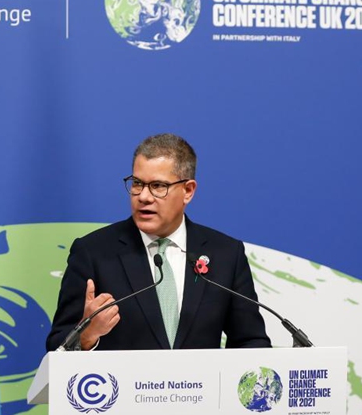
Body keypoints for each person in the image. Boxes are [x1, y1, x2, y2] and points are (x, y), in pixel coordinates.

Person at [46, 133, 271, 351]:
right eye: (137, 183)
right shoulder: (93, 253)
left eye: (158, 186)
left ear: (188, 191)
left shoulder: (225, 254)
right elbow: (56, 347)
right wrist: (86, 335)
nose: (143, 196)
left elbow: (251, 343)